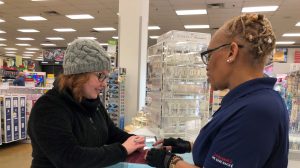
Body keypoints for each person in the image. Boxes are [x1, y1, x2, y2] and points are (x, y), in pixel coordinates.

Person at [146, 13, 289, 168]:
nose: (206, 65)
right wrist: (188, 146)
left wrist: (170, 161)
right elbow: (234, 149)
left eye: (209, 55)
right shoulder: (249, 100)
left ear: (231, 52)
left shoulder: (256, 110)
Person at [28, 39, 145, 168]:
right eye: (100, 76)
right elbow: (69, 158)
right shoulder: (48, 108)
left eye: (106, 77)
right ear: (79, 75)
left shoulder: (92, 102)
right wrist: (122, 150)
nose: (105, 83)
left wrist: (134, 140)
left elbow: (110, 132)